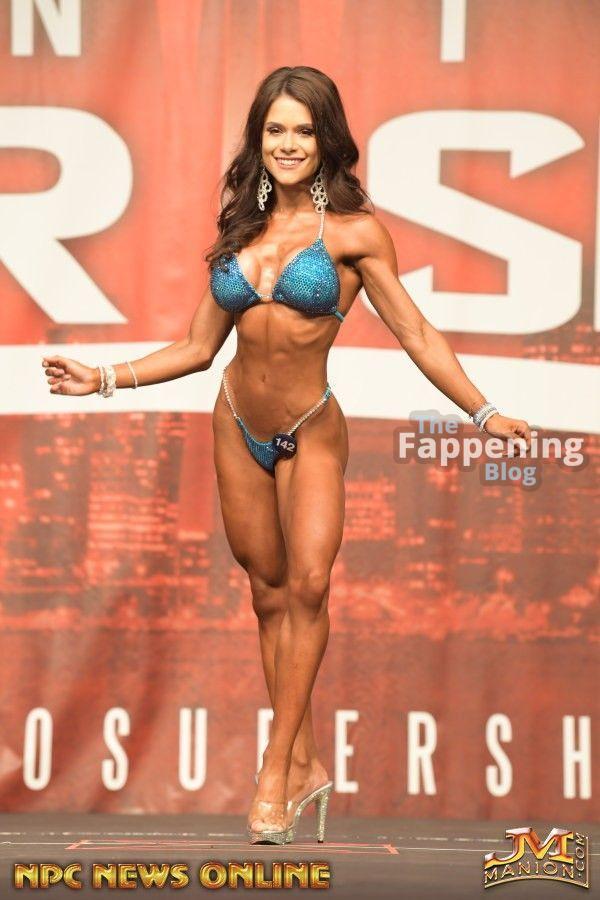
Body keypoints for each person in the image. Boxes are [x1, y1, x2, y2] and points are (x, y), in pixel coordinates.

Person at [40, 65, 532, 845]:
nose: (289, 143)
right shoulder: (242, 229)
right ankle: (305, 764)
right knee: (267, 596)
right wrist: (102, 378)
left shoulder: (357, 234)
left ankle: (274, 769)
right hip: (236, 422)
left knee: (309, 586)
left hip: (310, 427)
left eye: (304, 130)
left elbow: (416, 332)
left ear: (326, 140)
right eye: (276, 129)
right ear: (259, 139)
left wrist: (484, 411)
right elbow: (198, 348)